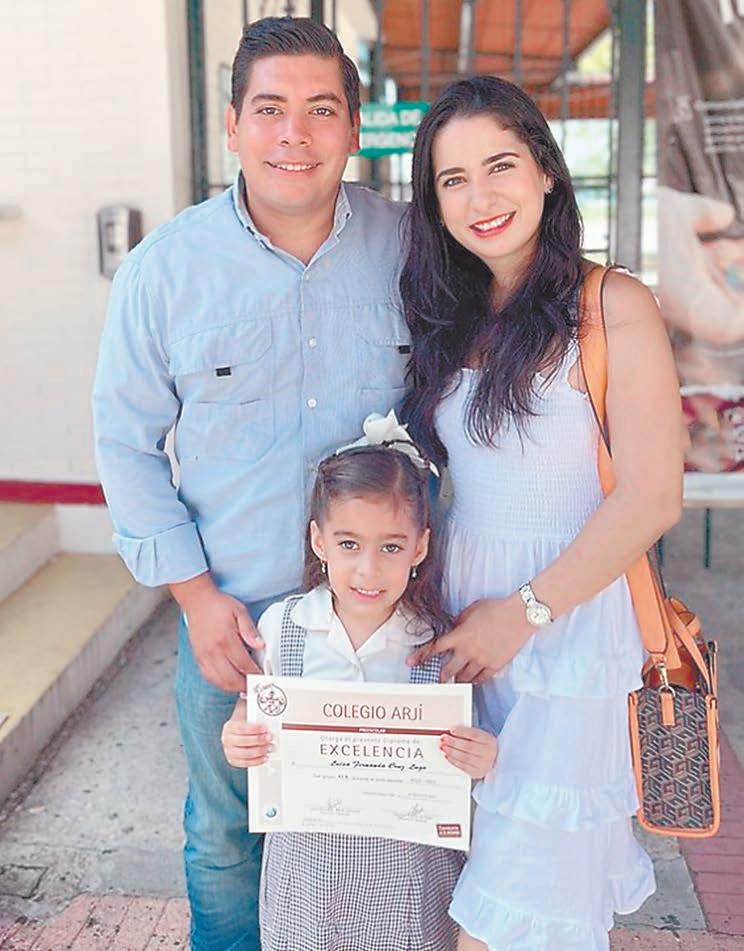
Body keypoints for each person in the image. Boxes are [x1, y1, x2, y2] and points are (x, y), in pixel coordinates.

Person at [92, 17, 410, 951]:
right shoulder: (163, 273)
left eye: (321, 110)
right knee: (228, 834)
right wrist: (195, 599)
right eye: (269, 109)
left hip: (389, 616)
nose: (293, 135)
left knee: (386, 833)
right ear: (232, 125)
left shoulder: (415, 249)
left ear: (354, 126)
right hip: (234, 620)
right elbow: (125, 445)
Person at [399, 76, 685, 950]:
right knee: (467, 874)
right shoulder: (448, 314)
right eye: (453, 180)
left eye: (500, 166)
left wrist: (522, 615)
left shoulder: (613, 305)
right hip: (465, 626)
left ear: (547, 171)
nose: (480, 197)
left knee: (517, 909)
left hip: (567, 627)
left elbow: (653, 495)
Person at [221, 427, 498, 951]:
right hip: (305, 876)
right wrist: (239, 737)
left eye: (391, 546)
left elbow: (473, 748)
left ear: (420, 547)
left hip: (409, 878)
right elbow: (248, 709)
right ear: (318, 541)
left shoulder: (439, 644)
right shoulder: (283, 628)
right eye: (349, 544)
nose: (369, 570)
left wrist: (483, 756)